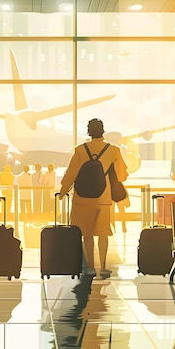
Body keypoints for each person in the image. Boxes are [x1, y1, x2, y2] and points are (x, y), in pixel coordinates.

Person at [58, 119, 127, 279]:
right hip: (103, 198)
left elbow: (71, 174)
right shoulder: (114, 150)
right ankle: (103, 267)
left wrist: (62, 192)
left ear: (88, 132)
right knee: (103, 233)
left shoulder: (80, 150)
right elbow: (122, 175)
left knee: (86, 234)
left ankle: (90, 267)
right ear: (103, 131)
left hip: (82, 198)